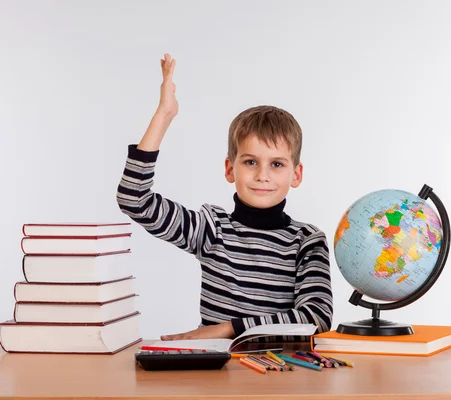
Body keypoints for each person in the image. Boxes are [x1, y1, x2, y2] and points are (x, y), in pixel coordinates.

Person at [117, 53, 333, 341]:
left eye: (277, 164)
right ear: (230, 168)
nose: (262, 175)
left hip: (284, 375)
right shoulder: (212, 228)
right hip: (219, 375)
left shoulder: (307, 241)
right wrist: (164, 116)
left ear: (296, 174)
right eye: (250, 162)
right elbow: (134, 199)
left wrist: (228, 329)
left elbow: (315, 317)